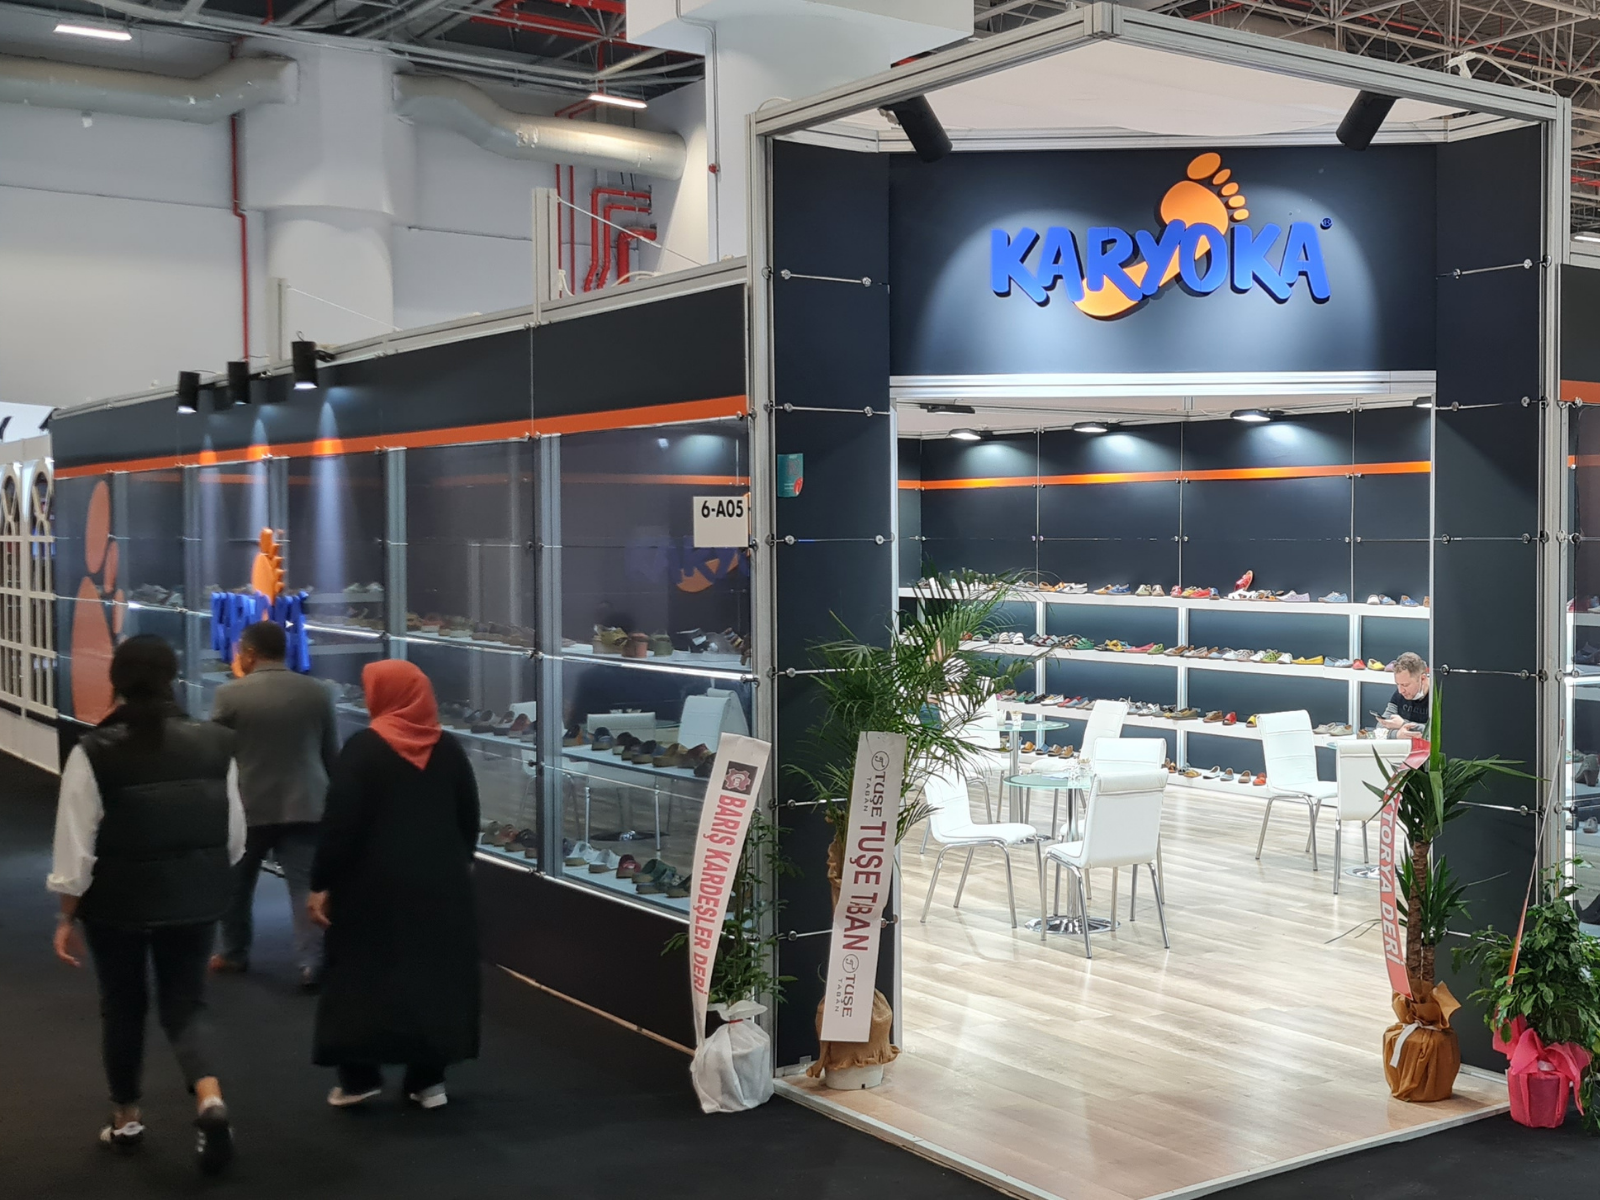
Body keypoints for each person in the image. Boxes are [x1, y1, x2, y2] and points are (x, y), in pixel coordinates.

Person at [48, 634, 244, 1173]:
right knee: (186, 1004)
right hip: (195, 897)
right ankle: (209, 1098)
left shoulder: (93, 751)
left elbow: (75, 846)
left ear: (116, 681)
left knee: (123, 1006)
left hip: (117, 905)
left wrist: (66, 915)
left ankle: (126, 1119)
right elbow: (234, 837)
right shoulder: (216, 743)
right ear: (173, 678)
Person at [309, 659, 481, 1110]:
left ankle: (359, 1077)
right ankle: (428, 1080)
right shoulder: (449, 748)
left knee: (361, 976)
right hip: (441, 882)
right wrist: (459, 861)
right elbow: (469, 815)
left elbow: (340, 823)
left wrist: (321, 881)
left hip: (371, 886)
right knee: (436, 976)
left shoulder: (363, 750)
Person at [209, 619, 340, 988]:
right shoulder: (318, 692)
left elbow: (215, 752)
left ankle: (234, 953)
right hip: (306, 803)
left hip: (249, 804)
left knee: (236, 885)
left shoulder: (230, 695)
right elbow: (330, 752)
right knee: (305, 887)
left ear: (250, 653)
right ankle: (312, 964)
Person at [1379, 651, 1431, 733]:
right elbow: (1381, 725)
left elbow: (1440, 732)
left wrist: (1403, 725)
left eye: (1405, 685)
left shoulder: (1438, 696)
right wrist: (1397, 735)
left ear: (1422, 679)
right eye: (1398, 684)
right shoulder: (1400, 693)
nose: (1400, 691)